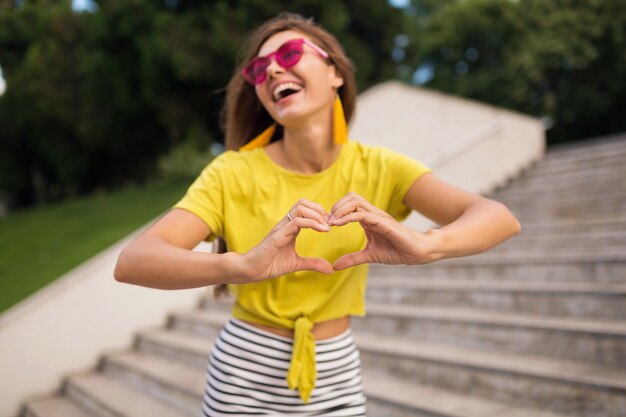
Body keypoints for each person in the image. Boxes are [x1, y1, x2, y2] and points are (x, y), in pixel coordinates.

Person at [114, 12, 521, 417]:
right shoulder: (231, 173)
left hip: (336, 367)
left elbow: (498, 217)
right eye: (258, 69)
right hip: (244, 370)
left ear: (335, 74)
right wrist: (243, 265)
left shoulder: (380, 168)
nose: (272, 69)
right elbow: (134, 262)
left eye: (290, 53)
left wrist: (425, 245)